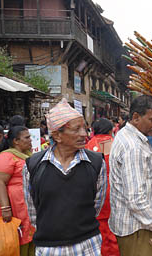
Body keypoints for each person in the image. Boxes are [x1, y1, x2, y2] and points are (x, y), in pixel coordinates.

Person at [22, 98, 107, 255]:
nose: (84, 134)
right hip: (49, 247)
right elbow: (33, 209)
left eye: (85, 128)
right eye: (76, 129)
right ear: (57, 136)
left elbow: (96, 204)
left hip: (87, 245)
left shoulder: (96, 162)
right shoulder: (33, 166)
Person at [109, 95, 152, 256]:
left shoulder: (132, 136)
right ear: (135, 117)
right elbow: (136, 200)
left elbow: (147, 161)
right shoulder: (132, 146)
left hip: (136, 225)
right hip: (136, 228)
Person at [0, 126, 35, 255]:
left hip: (26, 204)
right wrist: (5, 208)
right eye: (27, 137)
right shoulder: (5, 157)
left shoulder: (26, 155)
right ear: (16, 141)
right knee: (17, 238)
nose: (30, 140)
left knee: (30, 237)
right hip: (14, 205)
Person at [85, 118, 119, 256]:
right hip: (110, 188)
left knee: (99, 227)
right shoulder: (108, 143)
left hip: (92, 190)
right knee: (111, 229)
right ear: (110, 130)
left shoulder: (88, 144)